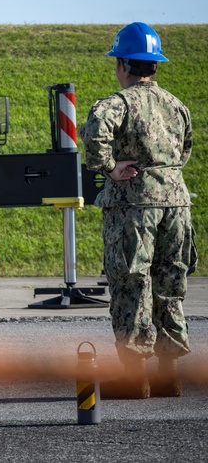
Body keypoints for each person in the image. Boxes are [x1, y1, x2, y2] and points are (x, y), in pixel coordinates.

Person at [79, 22, 197, 399]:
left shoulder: (118, 103)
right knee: (169, 285)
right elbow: (186, 151)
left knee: (132, 283)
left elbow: (95, 135)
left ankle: (135, 377)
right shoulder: (177, 106)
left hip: (134, 206)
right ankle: (169, 375)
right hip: (176, 204)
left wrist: (109, 166)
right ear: (154, 66)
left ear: (125, 65)